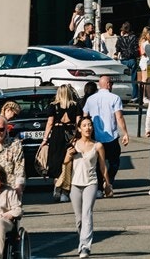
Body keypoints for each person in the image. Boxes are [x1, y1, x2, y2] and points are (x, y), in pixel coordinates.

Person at [64, 115, 112, 259]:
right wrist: (68, 154)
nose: (88, 128)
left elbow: (103, 166)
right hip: (75, 184)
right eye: (84, 125)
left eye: (90, 125)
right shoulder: (73, 143)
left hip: (91, 183)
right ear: (79, 129)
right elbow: (65, 162)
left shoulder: (98, 145)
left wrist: (107, 184)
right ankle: (82, 240)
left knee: (87, 214)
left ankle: (85, 246)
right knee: (79, 218)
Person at [82, 74, 129, 187]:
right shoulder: (114, 98)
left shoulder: (90, 99)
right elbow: (119, 117)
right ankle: (109, 181)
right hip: (111, 135)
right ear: (108, 84)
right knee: (114, 162)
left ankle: (99, 186)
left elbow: (85, 116)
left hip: (96, 136)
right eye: (111, 83)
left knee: (98, 162)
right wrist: (125, 133)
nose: (112, 85)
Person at [39, 85, 81, 200]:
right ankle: (65, 192)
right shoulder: (75, 105)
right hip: (70, 135)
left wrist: (45, 139)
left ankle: (57, 186)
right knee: (68, 162)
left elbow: (50, 123)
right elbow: (78, 123)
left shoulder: (53, 106)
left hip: (57, 135)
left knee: (56, 162)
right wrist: (77, 137)